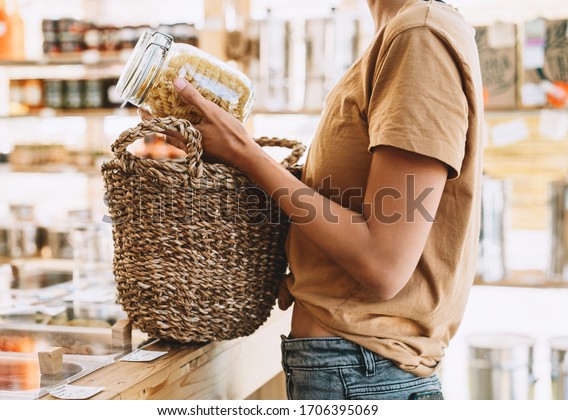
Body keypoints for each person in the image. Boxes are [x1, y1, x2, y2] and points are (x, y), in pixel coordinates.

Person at [139, 0, 484, 400]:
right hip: (351, 368)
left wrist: (244, 153)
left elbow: (384, 261)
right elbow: (356, 208)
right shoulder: (402, 32)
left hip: (360, 373)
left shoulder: (418, 36)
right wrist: (238, 157)